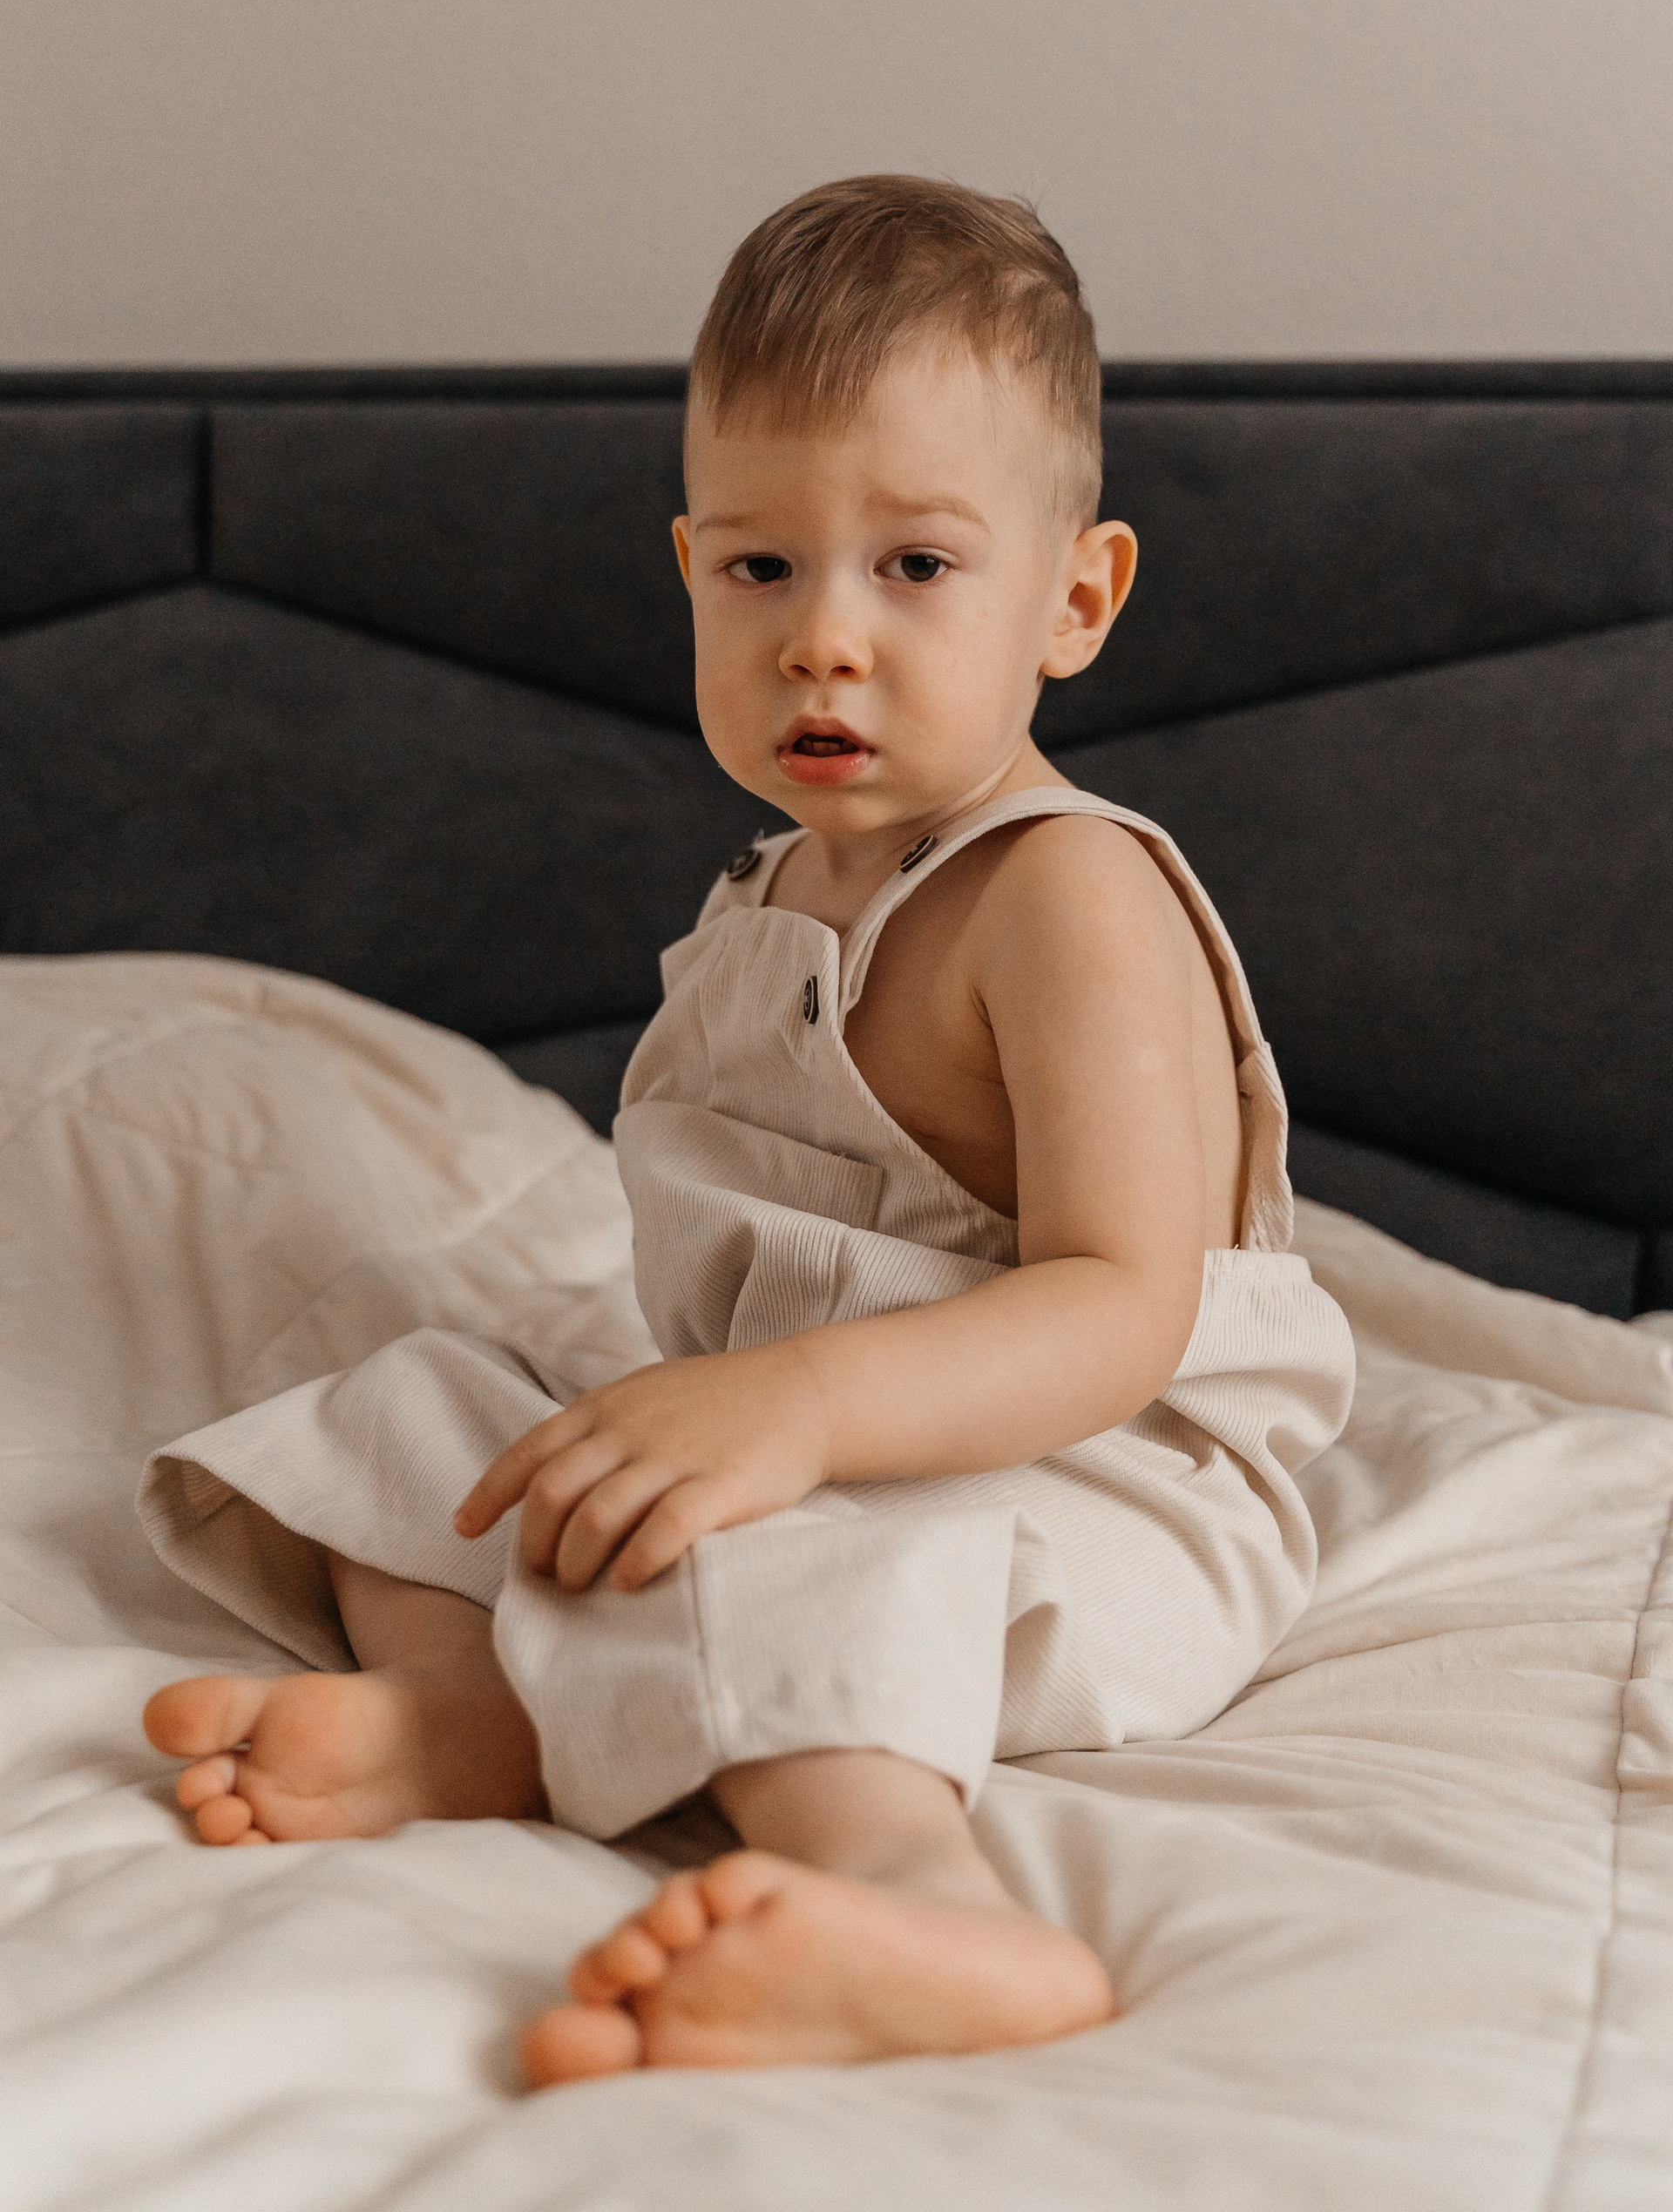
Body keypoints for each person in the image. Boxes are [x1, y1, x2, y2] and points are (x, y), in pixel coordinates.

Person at [139, 175, 1355, 2082]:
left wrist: (794, 1411)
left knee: (784, 1560)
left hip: (1102, 1485)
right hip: (828, 1441)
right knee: (432, 1415)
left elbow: (1128, 1305)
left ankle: (920, 1898)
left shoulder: (1068, 897)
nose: (822, 639)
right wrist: (747, 1416)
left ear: (1076, 600)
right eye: (761, 569)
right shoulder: (779, 884)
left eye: (916, 566)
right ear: (689, 568)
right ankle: (480, 1715)